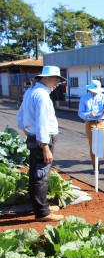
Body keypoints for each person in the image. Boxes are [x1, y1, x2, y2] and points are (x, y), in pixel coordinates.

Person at [16, 66, 65, 222]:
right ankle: (42, 212)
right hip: (42, 139)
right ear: (44, 78)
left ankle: (40, 205)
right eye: (55, 79)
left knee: (35, 173)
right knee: (41, 175)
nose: (57, 83)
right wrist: (45, 147)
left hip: (33, 136)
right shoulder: (42, 96)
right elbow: (42, 122)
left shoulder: (30, 92)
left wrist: (26, 129)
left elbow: (21, 114)